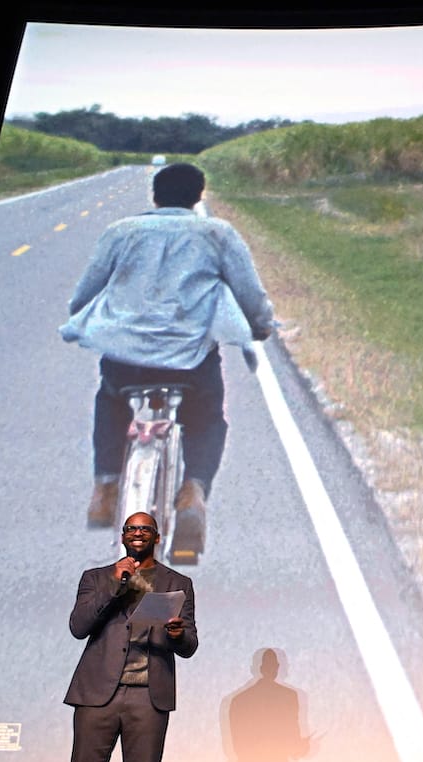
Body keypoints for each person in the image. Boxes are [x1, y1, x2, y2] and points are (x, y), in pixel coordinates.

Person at [60, 162, 276, 558]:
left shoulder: (120, 232)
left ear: (155, 196)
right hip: (190, 362)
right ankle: (193, 492)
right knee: (207, 419)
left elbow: (83, 296)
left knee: (110, 400)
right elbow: (250, 295)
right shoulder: (218, 234)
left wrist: (88, 317)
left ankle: (106, 485)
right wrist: (260, 327)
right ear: (198, 197)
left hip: (126, 360)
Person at [42, 511, 198, 762]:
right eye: (132, 529)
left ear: (157, 537)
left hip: (148, 696)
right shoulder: (97, 577)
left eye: (145, 529)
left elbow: (189, 644)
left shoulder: (178, 583)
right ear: (123, 536)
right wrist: (117, 582)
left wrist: (178, 634)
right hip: (97, 696)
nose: (138, 534)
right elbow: (79, 626)